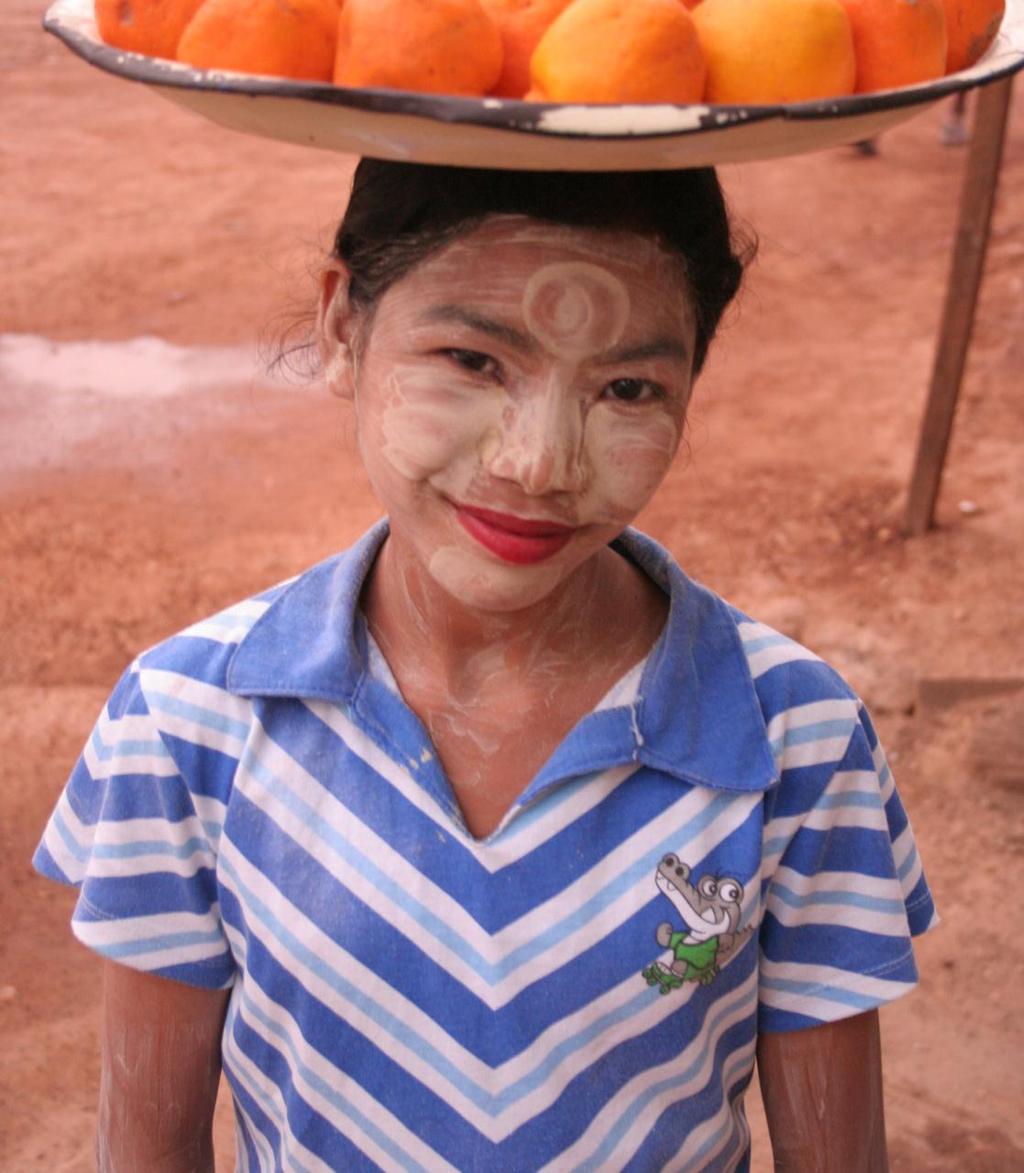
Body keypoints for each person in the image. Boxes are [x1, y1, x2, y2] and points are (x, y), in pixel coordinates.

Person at [34, 160, 936, 1172]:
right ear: (342, 328)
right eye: (473, 360)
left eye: (627, 388)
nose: (538, 463)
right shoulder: (188, 723)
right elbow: (145, 1148)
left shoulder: (793, 741)